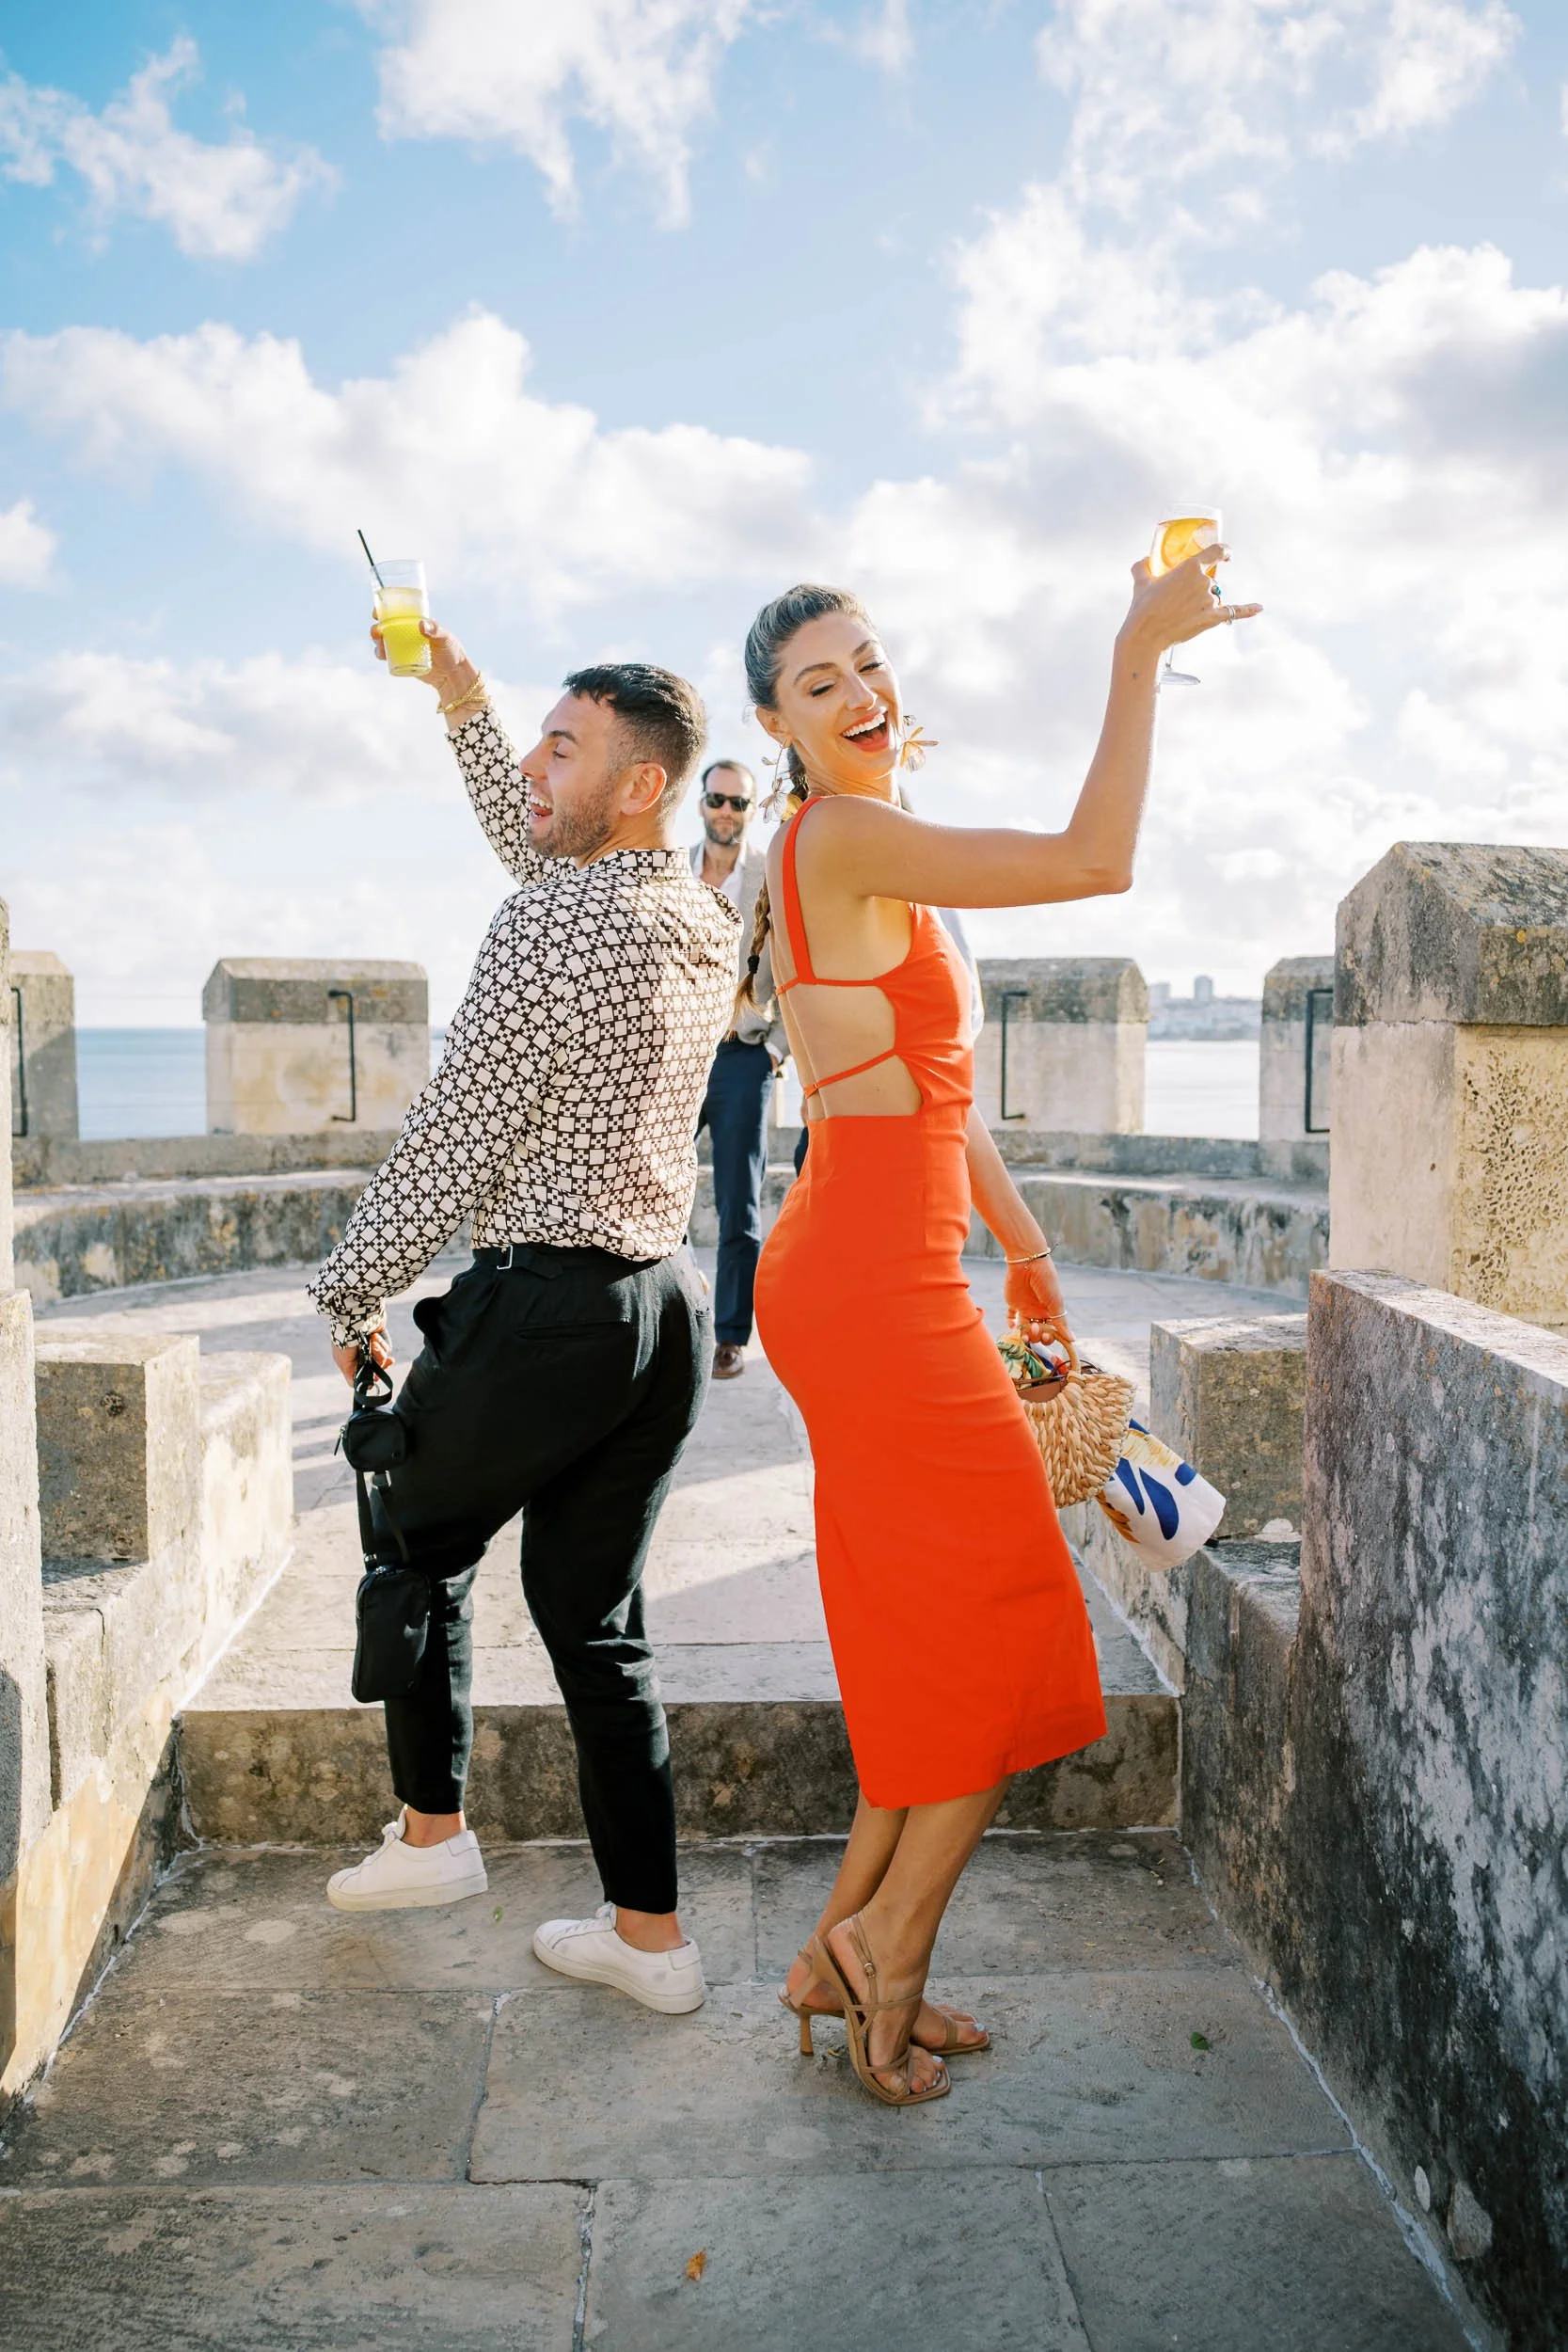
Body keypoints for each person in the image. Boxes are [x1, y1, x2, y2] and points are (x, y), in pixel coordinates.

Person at [743, 556, 1259, 2106]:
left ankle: (831, 1955)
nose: (860, 694)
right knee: (1009, 1608)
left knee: (929, 1641)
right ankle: (886, 1959)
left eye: (869, 661)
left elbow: (925, 1092)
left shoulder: (865, 856)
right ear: (779, 724)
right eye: (818, 683)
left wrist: (1022, 1250)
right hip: (860, 1283)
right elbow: (1095, 857)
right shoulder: (841, 834)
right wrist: (1135, 656)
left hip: (886, 1263)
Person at [308, 617, 739, 2020]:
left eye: (566, 750)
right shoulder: (688, 912)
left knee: (414, 1547)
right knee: (594, 1623)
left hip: (545, 1307)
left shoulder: (554, 920)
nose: (538, 776)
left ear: (636, 786)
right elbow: (541, 843)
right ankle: (650, 1939)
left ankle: (432, 1841)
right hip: (656, 1319)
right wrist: (468, 709)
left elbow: (450, 1133)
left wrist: (348, 1287)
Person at [689, 759, 789, 1378]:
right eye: (717, 799)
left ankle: (730, 1334)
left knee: (738, 1204)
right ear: (700, 802)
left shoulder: (769, 878)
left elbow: (802, 968)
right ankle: (671, 1313)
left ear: (753, 810)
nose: (727, 811)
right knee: (649, 1191)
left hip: (742, 1054)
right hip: (675, 1056)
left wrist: (775, 1049)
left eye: (739, 803)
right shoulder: (669, 870)